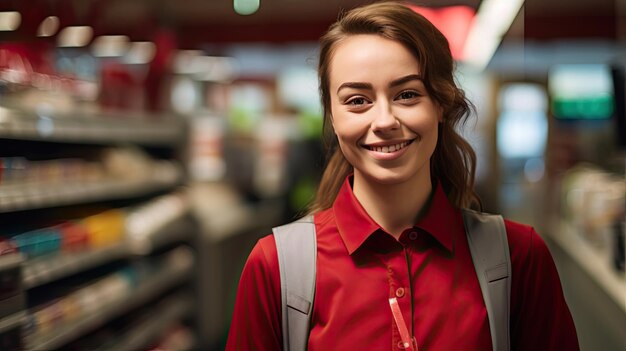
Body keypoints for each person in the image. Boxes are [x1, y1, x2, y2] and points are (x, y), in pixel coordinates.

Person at [225, 1, 579, 350]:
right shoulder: (276, 266)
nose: (384, 121)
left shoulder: (518, 257)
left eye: (407, 94)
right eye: (357, 100)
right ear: (332, 117)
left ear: (440, 104)